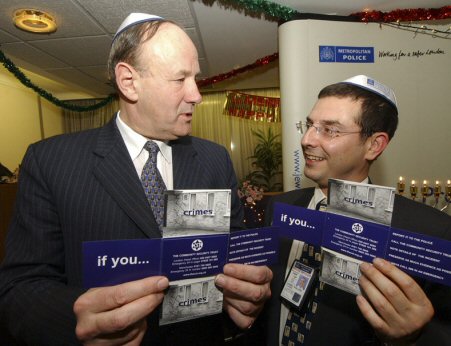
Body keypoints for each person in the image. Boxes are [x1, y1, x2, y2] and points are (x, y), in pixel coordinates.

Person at [0, 13, 272, 345]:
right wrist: (79, 318)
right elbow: (20, 289)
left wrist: (246, 289)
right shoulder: (51, 162)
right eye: (180, 79)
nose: (197, 95)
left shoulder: (214, 159)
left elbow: (233, 252)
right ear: (129, 82)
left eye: (196, 78)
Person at [263, 75, 451, 345]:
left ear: (374, 145)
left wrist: (414, 336)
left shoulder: (430, 233)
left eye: (330, 130)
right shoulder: (280, 207)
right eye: (309, 125)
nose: (306, 140)